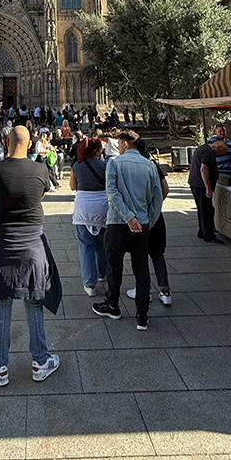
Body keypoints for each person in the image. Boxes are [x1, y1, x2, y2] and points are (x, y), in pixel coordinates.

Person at [0, 126, 61, 386]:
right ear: (29, 144)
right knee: (34, 299)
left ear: (6, 142)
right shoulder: (40, 169)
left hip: (2, 240)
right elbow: (40, 196)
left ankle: (0, 366)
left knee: (2, 302)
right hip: (32, 241)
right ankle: (40, 362)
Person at [92, 130, 163, 330]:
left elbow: (112, 192)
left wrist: (128, 217)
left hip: (118, 223)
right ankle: (142, 314)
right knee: (141, 268)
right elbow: (157, 198)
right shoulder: (150, 165)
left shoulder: (114, 163)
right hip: (142, 224)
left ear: (124, 144)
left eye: (118, 143)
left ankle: (112, 304)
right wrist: (146, 221)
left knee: (114, 266)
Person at [126, 138, 173, 305]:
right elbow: (165, 189)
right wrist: (156, 205)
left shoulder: (129, 166)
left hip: (138, 215)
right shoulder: (153, 166)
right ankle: (165, 291)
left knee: (140, 254)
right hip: (155, 215)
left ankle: (143, 289)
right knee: (157, 253)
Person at [70, 137, 108, 296]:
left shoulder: (77, 166)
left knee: (85, 246)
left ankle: (89, 284)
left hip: (83, 208)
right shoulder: (105, 166)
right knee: (102, 244)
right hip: (102, 207)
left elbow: (73, 186)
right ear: (96, 151)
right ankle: (102, 273)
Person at [188, 139, 230, 243]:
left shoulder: (203, 148)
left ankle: (202, 230)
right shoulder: (209, 152)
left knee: (201, 208)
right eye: (222, 152)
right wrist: (208, 187)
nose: (221, 155)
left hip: (195, 182)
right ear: (218, 147)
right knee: (207, 209)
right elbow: (204, 169)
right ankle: (208, 234)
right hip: (201, 185)